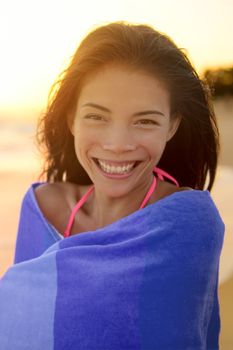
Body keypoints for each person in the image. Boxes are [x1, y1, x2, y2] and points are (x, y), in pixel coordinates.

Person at [0, 21, 224, 349]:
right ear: (71, 118)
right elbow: (22, 319)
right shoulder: (42, 208)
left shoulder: (189, 224)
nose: (118, 144)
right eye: (97, 116)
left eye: (145, 121)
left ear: (172, 126)